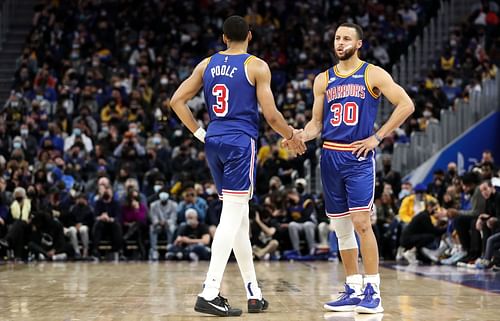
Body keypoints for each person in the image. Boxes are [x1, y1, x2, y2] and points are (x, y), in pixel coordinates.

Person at [170, 15, 305, 317]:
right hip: (240, 143)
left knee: (240, 219)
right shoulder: (256, 65)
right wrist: (292, 136)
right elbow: (270, 116)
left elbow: (177, 101)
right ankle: (209, 291)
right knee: (231, 218)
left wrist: (199, 133)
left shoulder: (206, 65)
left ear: (223, 38)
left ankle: (253, 293)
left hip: (214, 141)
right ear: (250, 37)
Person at [286, 22, 414, 314]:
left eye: (346, 38)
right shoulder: (323, 79)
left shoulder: (372, 73)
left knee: (361, 223)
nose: (340, 42)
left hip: (357, 157)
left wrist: (378, 136)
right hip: (330, 156)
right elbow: (316, 124)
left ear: (358, 44)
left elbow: (406, 104)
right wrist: (299, 135)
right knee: (341, 228)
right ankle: (353, 287)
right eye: (337, 38)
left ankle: (373, 289)